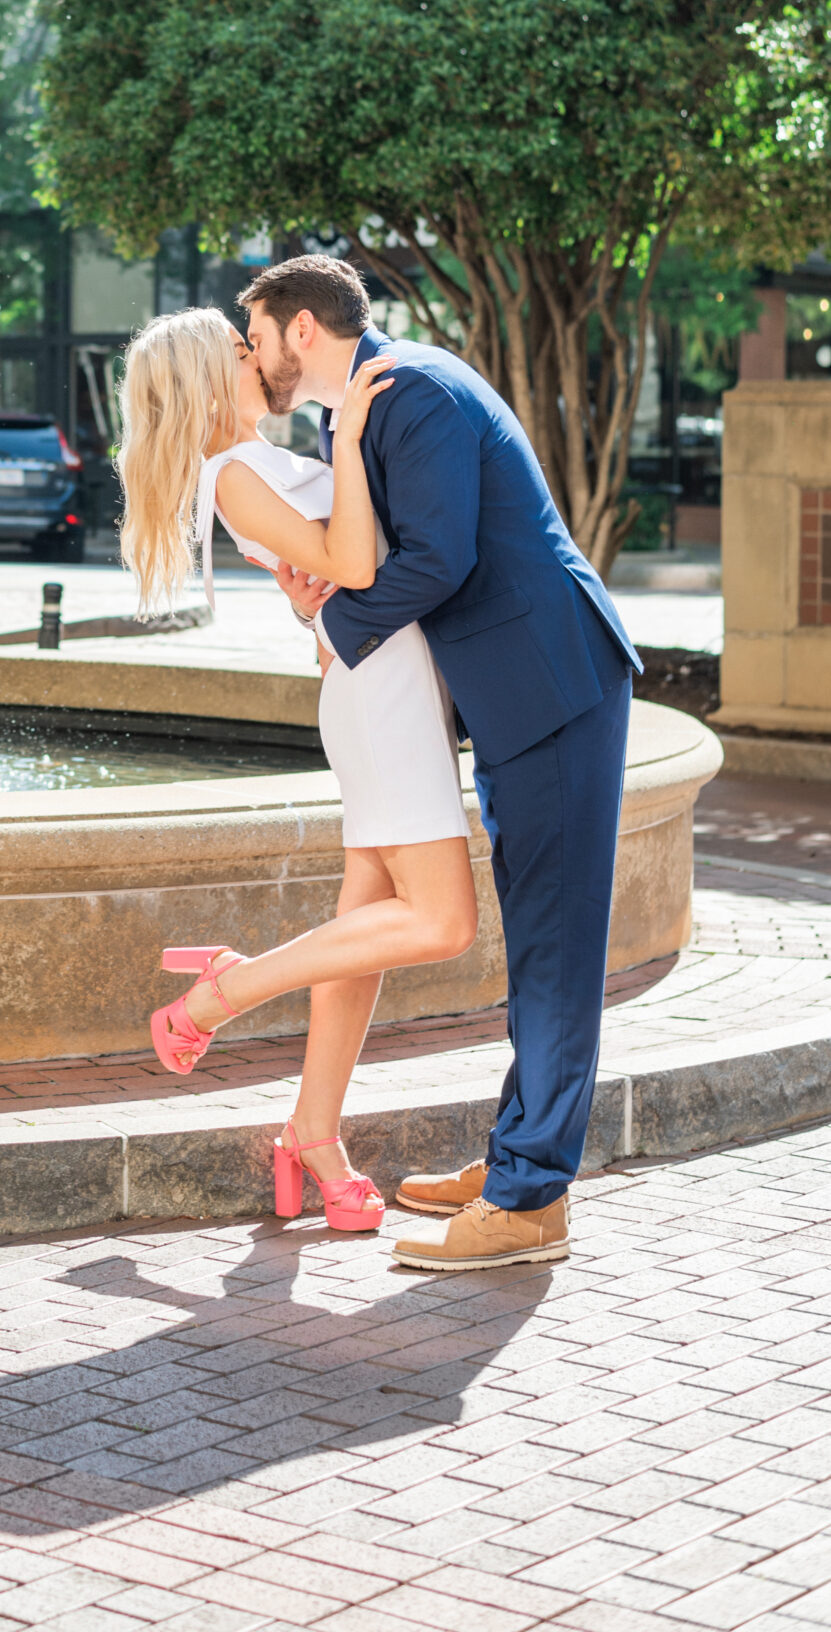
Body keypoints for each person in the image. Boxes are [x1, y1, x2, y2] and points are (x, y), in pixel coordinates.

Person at [240, 254, 640, 1273]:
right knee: (538, 943)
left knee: (553, 949)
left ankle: (528, 1200)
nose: (251, 357)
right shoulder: (366, 410)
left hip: (551, 684)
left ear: (299, 330)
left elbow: (439, 559)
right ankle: (520, 1156)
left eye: (255, 336)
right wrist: (318, 596)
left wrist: (335, 626)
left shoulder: (405, 391)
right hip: (519, 695)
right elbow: (374, 555)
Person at [117, 304, 478, 1235]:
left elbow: (332, 578)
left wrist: (308, 607)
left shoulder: (252, 467)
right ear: (209, 379)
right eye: (243, 351)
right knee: (442, 921)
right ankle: (220, 990)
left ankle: (313, 1136)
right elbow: (354, 557)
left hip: (385, 684)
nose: (259, 361)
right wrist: (351, 440)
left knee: (363, 940)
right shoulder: (233, 473)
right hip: (380, 699)